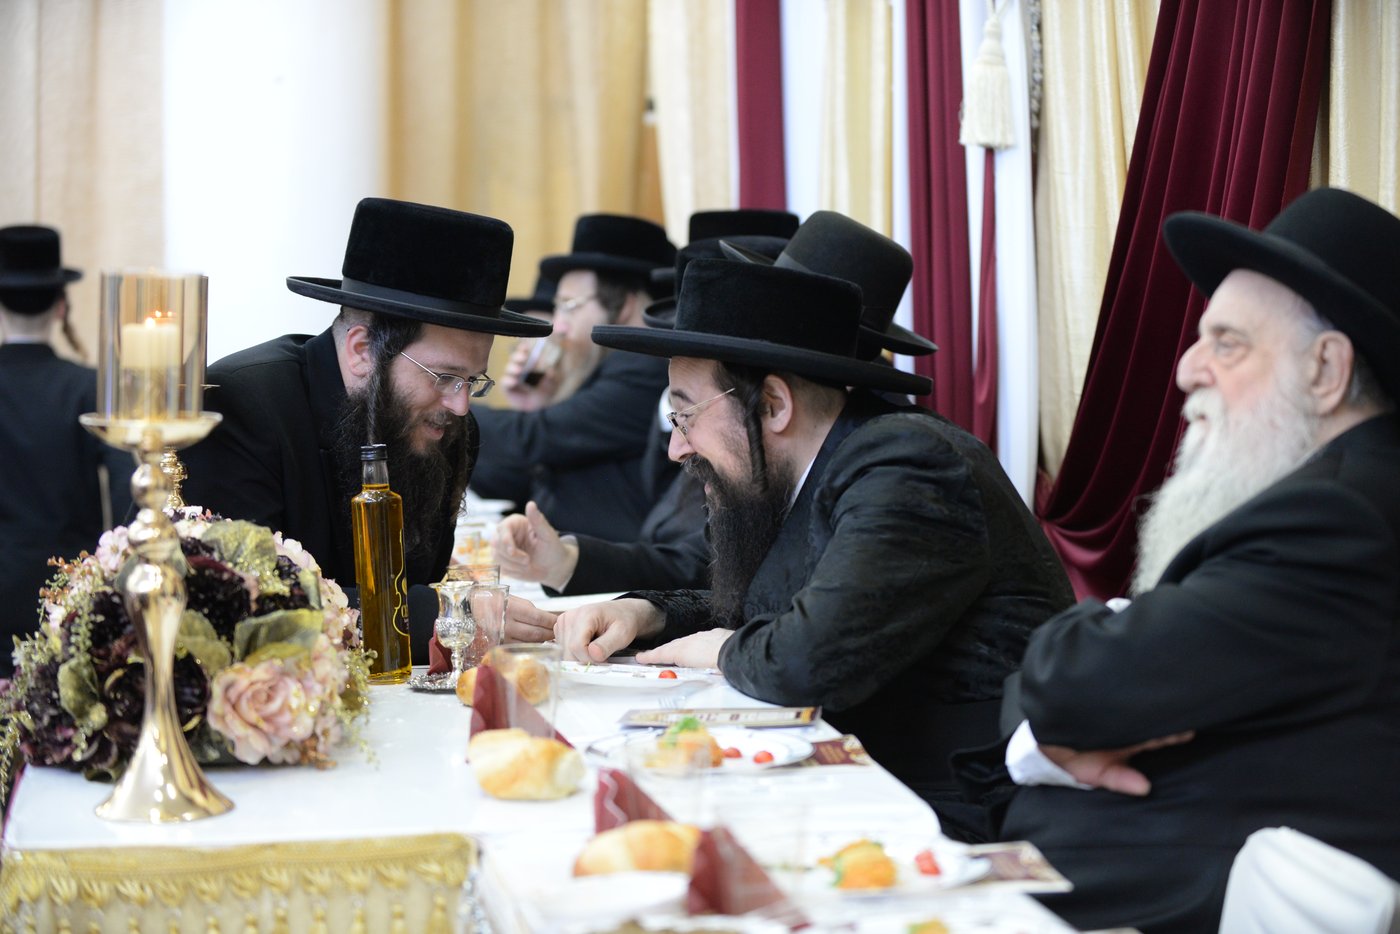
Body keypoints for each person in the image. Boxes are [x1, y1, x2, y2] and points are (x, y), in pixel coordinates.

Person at [960, 188, 1400, 932]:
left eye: (1226, 343)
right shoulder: (1338, 496)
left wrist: (1090, 657)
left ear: (1326, 369)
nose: (1187, 370)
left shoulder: (1335, 518)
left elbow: (1072, 683)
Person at [545, 258, 1075, 821]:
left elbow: (806, 659)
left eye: (685, 416)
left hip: (955, 805)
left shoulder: (909, 465)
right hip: (861, 772)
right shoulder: (810, 467)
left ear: (773, 405)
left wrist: (722, 649)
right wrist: (649, 614)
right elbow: (775, 611)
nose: (677, 449)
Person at [182, 198, 548, 661]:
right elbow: (242, 603)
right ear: (361, 351)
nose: (460, 405)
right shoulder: (241, 407)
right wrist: (447, 613)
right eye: (444, 377)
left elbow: (420, 578)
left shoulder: (448, 429)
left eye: (472, 380)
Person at [469, 214, 675, 542]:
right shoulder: (608, 368)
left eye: (569, 305)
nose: (559, 326)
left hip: (614, 560)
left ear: (624, 305)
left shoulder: (645, 368)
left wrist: (449, 399)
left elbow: (534, 437)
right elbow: (537, 467)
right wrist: (535, 404)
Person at [0, 225, 133, 674]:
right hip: (67, 594)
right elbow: (126, 487)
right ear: (61, 306)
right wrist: (115, 572)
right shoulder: (87, 387)